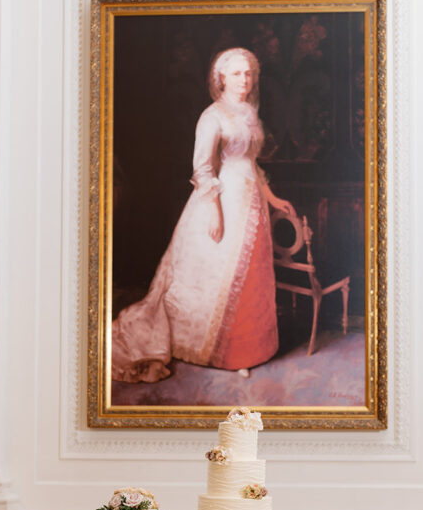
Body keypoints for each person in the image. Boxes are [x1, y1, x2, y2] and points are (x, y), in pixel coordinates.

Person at [111, 47, 293, 384]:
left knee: (251, 276)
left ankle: (250, 350)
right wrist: (216, 213)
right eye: (236, 74)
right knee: (220, 278)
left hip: (252, 204)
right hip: (222, 202)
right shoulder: (212, 116)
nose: (244, 79)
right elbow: (203, 168)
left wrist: (273, 198)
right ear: (221, 78)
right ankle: (220, 352)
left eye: (248, 73)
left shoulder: (250, 113)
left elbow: (252, 164)